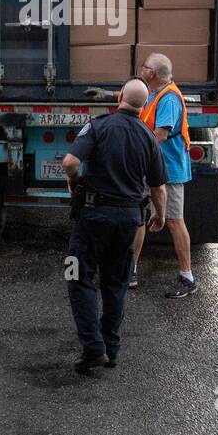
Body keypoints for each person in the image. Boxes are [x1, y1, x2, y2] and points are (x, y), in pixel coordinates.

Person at [62, 78, 167, 374]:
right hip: (129, 221)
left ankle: (93, 348)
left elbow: (70, 162)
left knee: (77, 276)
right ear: (143, 105)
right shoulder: (148, 137)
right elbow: (159, 186)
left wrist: (74, 181)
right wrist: (159, 215)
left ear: (119, 97)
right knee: (116, 282)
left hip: (94, 217)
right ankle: (111, 347)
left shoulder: (98, 126)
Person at [131, 52, 196, 299]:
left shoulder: (168, 99)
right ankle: (131, 270)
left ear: (152, 73)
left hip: (168, 171)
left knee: (173, 220)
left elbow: (159, 135)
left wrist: (132, 150)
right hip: (152, 167)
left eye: (144, 66)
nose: (142, 68)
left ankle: (187, 276)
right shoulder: (155, 92)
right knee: (139, 216)